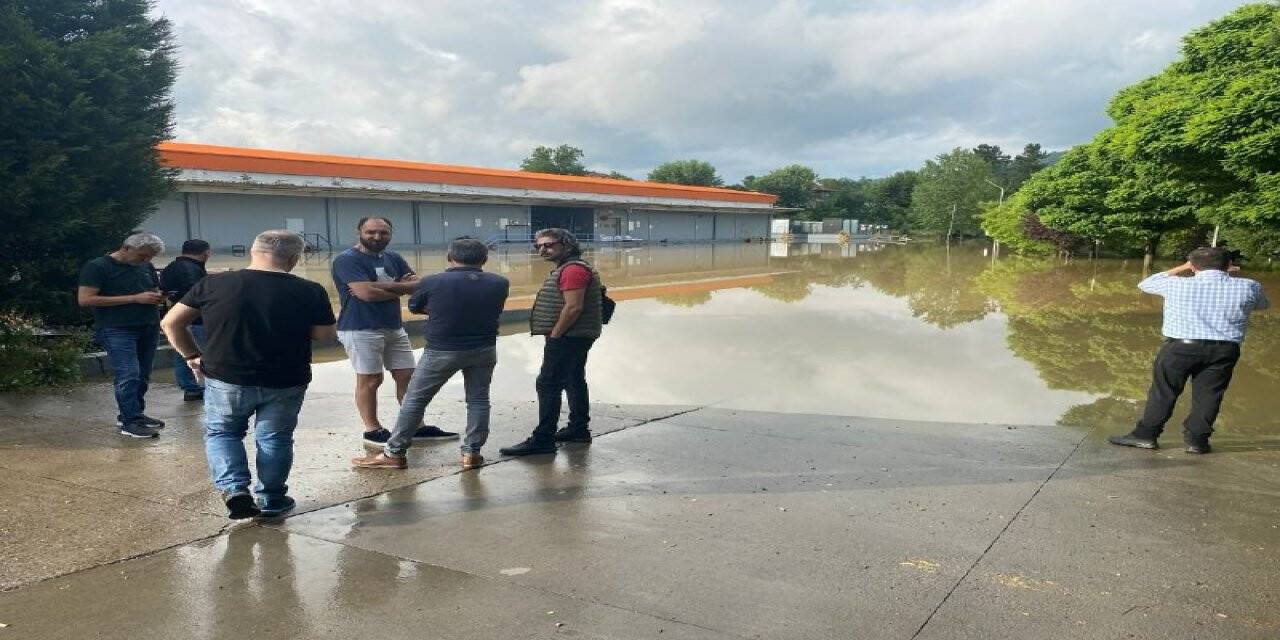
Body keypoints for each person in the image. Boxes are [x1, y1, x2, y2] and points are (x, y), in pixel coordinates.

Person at [161, 230, 336, 519]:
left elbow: (170, 323)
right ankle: (271, 499)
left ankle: (235, 490)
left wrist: (192, 355)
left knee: (223, 432)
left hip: (227, 376)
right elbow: (325, 335)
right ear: (293, 258)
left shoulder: (213, 284)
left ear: (253, 252)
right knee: (275, 438)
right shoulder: (309, 289)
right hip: (286, 378)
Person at [351, 237, 510, 470]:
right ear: (484, 259)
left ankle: (394, 453)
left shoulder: (433, 281)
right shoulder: (500, 282)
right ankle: (472, 452)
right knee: (478, 399)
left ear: (449, 257)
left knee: (415, 400)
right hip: (484, 349)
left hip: (442, 349)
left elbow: (415, 306)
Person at [1109, 247, 1270, 454]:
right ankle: (1197, 441)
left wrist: (1184, 267)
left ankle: (1146, 435)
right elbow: (1262, 305)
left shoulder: (1176, 284)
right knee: (1209, 395)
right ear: (1229, 265)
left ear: (1193, 266)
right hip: (1224, 350)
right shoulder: (1249, 286)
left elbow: (1145, 284)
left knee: (1163, 392)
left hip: (1180, 348)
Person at [331, 217, 456, 446]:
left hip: (393, 326)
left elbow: (417, 285)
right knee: (370, 379)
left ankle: (416, 426)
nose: (377, 237)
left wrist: (382, 287)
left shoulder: (393, 258)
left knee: (409, 377)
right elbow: (366, 295)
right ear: (359, 231)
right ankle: (372, 429)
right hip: (360, 328)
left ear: (391, 234)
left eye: (383, 233)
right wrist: (401, 288)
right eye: (371, 232)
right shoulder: (346, 260)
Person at [500, 228, 605, 456]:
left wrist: (556, 334)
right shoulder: (571, 268)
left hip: (569, 336)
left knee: (548, 383)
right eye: (538, 246)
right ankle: (578, 429)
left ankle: (543, 438)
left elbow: (573, 307)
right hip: (577, 335)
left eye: (548, 245)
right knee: (573, 379)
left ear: (566, 244)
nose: (542, 250)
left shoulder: (573, 270)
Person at [78, 232, 167, 438]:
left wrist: (157, 296)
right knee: (128, 374)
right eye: (142, 256)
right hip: (117, 328)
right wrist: (134, 298)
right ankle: (130, 422)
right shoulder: (98, 267)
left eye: (149, 258)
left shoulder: (145, 266)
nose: (145, 261)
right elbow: (85, 299)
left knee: (143, 374)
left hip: (147, 325)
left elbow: (151, 288)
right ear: (126, 248)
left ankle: (133, 413)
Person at [160, 239, 211, 401]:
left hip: (177, 317)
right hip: (196, 319)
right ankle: (200, 387)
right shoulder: (192, 270)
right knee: (203, 353)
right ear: (206, 253)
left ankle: (190, 387)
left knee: (184, 353)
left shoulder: (170, 268)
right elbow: (198, 294)